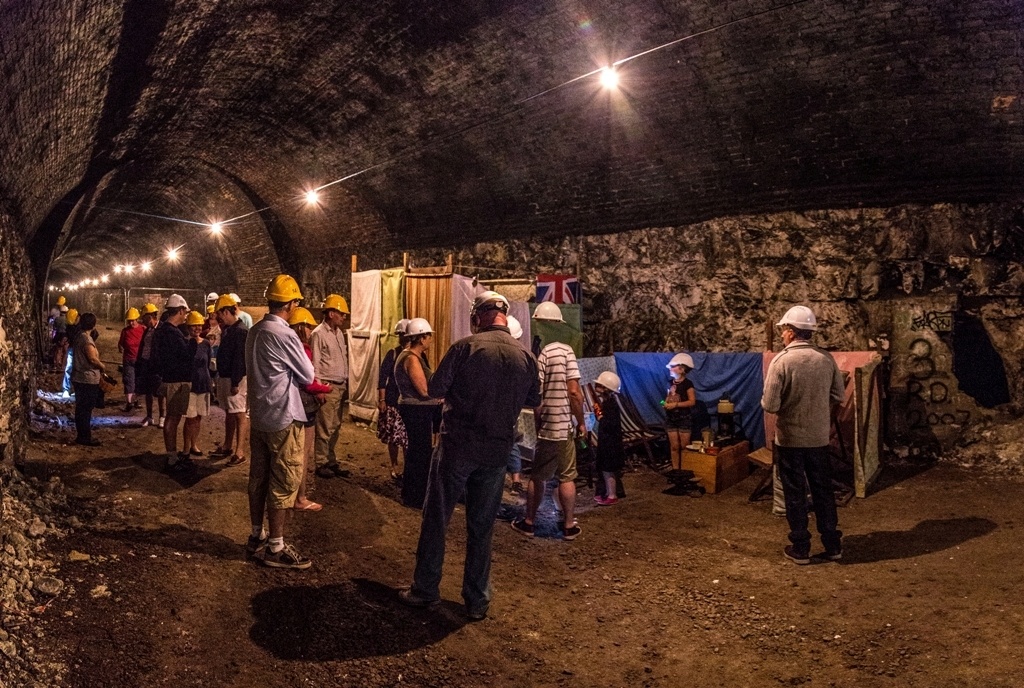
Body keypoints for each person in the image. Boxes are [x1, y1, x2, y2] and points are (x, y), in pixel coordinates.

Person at [398, 291, 540, 620]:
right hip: (497, 452)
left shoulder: (466, 347)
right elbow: (534, 399)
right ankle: (477, 601)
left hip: (457, 447)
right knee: (481, 527)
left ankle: (425, 589)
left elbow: (435, 389)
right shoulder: (526, 356)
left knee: (437, 518)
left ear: (478, 317)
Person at [762, 305, 845, 565]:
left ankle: (801, 547)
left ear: (789, 331)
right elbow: (838, 396)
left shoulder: (782, 361)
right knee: (823, 491)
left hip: (790, 440)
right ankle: (832, 545)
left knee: (795, 493)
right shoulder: (825, 359)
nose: (782, 335)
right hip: (819, 438)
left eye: (783, 330)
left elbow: (771, 405)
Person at [244, 274, 317, 569]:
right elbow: (308, 375)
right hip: (284, 417)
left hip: (260, 416)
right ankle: (275, 547)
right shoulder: (284, 334)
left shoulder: (255, 331)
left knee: (258, 478)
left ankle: (256, 535)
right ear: (292, 303)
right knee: (284, 480)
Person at [512, 301, 586, 541]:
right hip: (564, 428)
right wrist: (581, 421)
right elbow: (574, 392)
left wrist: (539, 424)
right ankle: (569, 525)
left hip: (547, 428)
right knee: (567, 476)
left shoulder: (543, 355)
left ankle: (530, 522)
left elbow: (538, 398)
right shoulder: (567, 352)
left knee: (538, 476)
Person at [287, 306, 332, 512]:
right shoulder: (302, 349)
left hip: (292, 405)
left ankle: (292, 494)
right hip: (306, 404)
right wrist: (326, 388)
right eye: (307, 326)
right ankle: (300, 497)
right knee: (303, 454)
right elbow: (308, 382)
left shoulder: (285, 345)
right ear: (302, 326)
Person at [395, 318, 442, 509]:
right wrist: (440, 398)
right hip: (417, 409)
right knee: (420, 453)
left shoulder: (407, 356)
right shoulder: (412, 359)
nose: (430, 339)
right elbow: (423, 390)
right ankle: (415, 496)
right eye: (429, 336)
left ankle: (412, 494)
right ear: (421, 338)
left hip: (414, 408)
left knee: (418, 452)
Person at [311, 294, 351, 479]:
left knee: (335, 426)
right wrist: (319, 388)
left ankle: (331, 459)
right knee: (325, 426)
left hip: (340, 385)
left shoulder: (339, 334)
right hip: (328, 386)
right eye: (342, 313)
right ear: (331, 313)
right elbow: (315, 363)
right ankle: (321, 462)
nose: (344, 317)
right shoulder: (318, 334)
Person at [153, 294, 194, 471]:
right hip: (175, 381)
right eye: (185, 312)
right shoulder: (173, 333)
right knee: (173, 418)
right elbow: (185, 356)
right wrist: (193, 343)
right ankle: (172, 457)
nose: (186, 316)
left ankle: (172, 454)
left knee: (172, 417)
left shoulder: (161, 330)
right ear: (180, 310)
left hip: (168, 379)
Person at [212, 294, 249, 466]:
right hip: (227, 377)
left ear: (227, 311)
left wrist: (235, 382)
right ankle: (227, 445)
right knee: (229, 412)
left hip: (236, 380)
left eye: (220, 313)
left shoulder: (240, 331)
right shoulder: (229, 330)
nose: (218, 317)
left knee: (239, 413)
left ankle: (239, 451)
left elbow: (240, 360)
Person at [378, 319, 410, 481]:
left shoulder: (417, 356)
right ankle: (394, 465)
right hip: (393, 401)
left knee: (406, 438)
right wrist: (382, 400)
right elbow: (382, 378)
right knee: (393, 438)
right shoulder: (393, 354)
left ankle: (407, 467)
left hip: (407, 403)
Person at [71, 312, 106, 446]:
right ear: (93, 324)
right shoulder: (86, 340)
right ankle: (85, 437)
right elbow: (92, 358)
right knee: (85, 410)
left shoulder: (79, 336)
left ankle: (82, 435)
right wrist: (102, 366)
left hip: (79, 377)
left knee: (81, 409)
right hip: (87, 379)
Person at [182, 311, 213, 457]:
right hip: (190, 385)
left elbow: (207, 364)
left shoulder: (206, 344)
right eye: (194, 325)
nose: (197, 328)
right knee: (190, 418)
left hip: (203, 383)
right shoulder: (185, 343)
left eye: (199, 325)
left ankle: (194, 444)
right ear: (188, 327)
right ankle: (186, 447)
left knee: (198, 416)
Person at [592, 371, 625, 506]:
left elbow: (609, 423)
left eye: (599, 385)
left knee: (608, 469)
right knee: (605, 469)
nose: (596, 387)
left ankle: (612, 495)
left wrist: (599, 415)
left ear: (606, 388)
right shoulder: (608, 402)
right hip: (608, 439)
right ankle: (608, 493)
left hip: (610, 441)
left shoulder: (610, 404)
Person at [134, 304, 166, 427]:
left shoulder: (162, 330)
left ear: (152, 316)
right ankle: (149, 416)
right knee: (148, 391)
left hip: (157, 366)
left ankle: (162, 416)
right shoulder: (147, 330)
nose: (143, 321)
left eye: (145, 318)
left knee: (160, 393)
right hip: (146, 364)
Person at [664, 353, 697, 471]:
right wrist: (666, 403)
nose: (670, 369)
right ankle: (675, 471)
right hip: (671, 418)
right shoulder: (670, 383)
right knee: (674, 446)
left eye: (673, 366)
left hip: (684, 418)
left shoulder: (688, 384)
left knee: (684, 446)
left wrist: (676, 405)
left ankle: (685, 470)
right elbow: (668, 397)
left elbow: (692, 401)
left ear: (682, 369)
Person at [117, 308, 144, 412]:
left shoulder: (143, 329)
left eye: (133, 320)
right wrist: (120, 347)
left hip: (140, 360)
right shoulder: (125, 331)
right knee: (129, 380)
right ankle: (129, 402)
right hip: (129, 359)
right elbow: (121, 344)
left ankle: (136, 400)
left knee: (138, 380)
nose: (131, 322)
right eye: (129, 321)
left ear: (137, 319)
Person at [61, 308, 80, 397]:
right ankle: (71, 389)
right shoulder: (74, 328)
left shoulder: (70, 327)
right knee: (72, 369)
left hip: (74, 350)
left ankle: (67, 389)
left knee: (70, 369)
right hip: (76, 351)